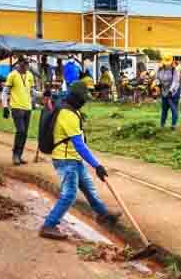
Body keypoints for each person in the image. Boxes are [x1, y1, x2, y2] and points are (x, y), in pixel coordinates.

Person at [39, 82, 121, 240]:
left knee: (89, 189)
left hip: (74, 159)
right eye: (83, 99)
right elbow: (80, 145)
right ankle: (48, 225)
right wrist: (97, 165)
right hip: (65, 160)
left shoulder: (70, 109)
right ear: (76, 98)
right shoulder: (67, 114)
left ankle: (103, 215)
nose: (85, 102)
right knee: (69, 195)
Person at [1, 57, 38, 166]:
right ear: (20, 64)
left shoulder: (30, 75)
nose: (27, 66)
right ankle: (15, 155)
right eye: (25, 64)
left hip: (28, 108)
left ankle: (19, 155)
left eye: (28, 64)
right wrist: (5, 107)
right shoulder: (12, 75)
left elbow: (32, 92)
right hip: (16, 108)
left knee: (25, 133)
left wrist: (44, 94)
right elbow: (5, 92)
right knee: (20, 131)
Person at [156, 55, 181, 129]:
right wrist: (158, 85)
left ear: (171, 62)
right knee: (164, 109)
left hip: (174, 92)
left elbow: (175, 82)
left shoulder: (174, 70)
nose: (167, 64)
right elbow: (157, 78)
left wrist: (170, 91)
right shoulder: (160, 69)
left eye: (168, 62)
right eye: (165, 62)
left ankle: (173, 125)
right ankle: (162, 125)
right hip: (164, 90)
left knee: (173, 108)